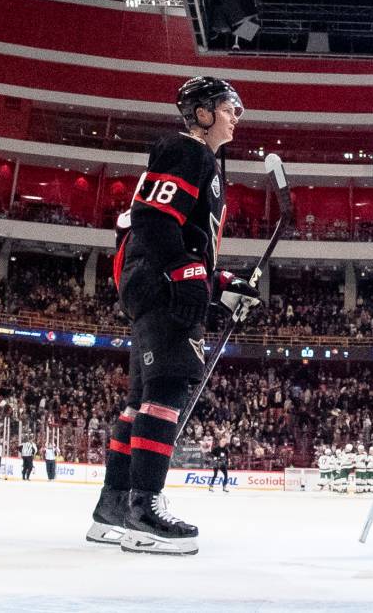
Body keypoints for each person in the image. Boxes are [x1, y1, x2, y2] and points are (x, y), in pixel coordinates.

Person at [84, 76, 260, 555]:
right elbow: (154, 219)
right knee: (167, 394)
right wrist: (185, 272)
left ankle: (113, 507)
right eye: (229, 108)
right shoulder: (188, 151)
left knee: (140, 401)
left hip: (154, 285)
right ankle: (145, 508)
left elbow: (184, 238)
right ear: (203, 114)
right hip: (163, 290)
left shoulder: (201, 158)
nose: (236, 116)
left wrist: (219, 282)